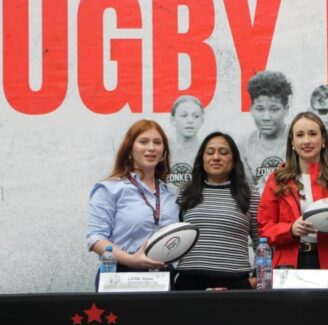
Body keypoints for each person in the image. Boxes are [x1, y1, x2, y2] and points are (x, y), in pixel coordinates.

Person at [257, 112, 328, 288]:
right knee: (289, 315)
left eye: (312, 134)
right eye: (300, 135)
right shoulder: (277, 179)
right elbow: (264, 229)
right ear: (292, 142)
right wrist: (291, 229)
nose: (306, 140)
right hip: (288, 265)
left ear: (323, 139)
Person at [87, 120, 179, 287]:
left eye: (157, 143)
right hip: (120, 275)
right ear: (130, 149)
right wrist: (132, 261)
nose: (151, 147)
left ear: (163, 151)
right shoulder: (110, 188)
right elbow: (95, 238)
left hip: (163, 276)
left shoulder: (170, 194)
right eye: (143, 141)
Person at [174, 132, 260, 290]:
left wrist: (255, 279)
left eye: (223, 152)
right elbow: (172, 241)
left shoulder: (250, 194)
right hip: (189, 283)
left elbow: (261, 242)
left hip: (236, 284)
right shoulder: (185, 192)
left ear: (233, 160)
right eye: (210, 152)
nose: (216, 157)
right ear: (202, 158)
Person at [241, 70, 293, 193]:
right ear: (251, 110)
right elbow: (247, 190)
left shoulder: (298, 138)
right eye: (259, 109)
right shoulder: (245, 144)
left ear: (286, 110)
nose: (266, 117)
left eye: (274, 109)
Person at [168, 95, 205, 189]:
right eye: (184, 116)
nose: (190, 121)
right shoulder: (162, 150)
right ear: (172, 120)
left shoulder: (208, 151)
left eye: (196, 116)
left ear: (201, 121)